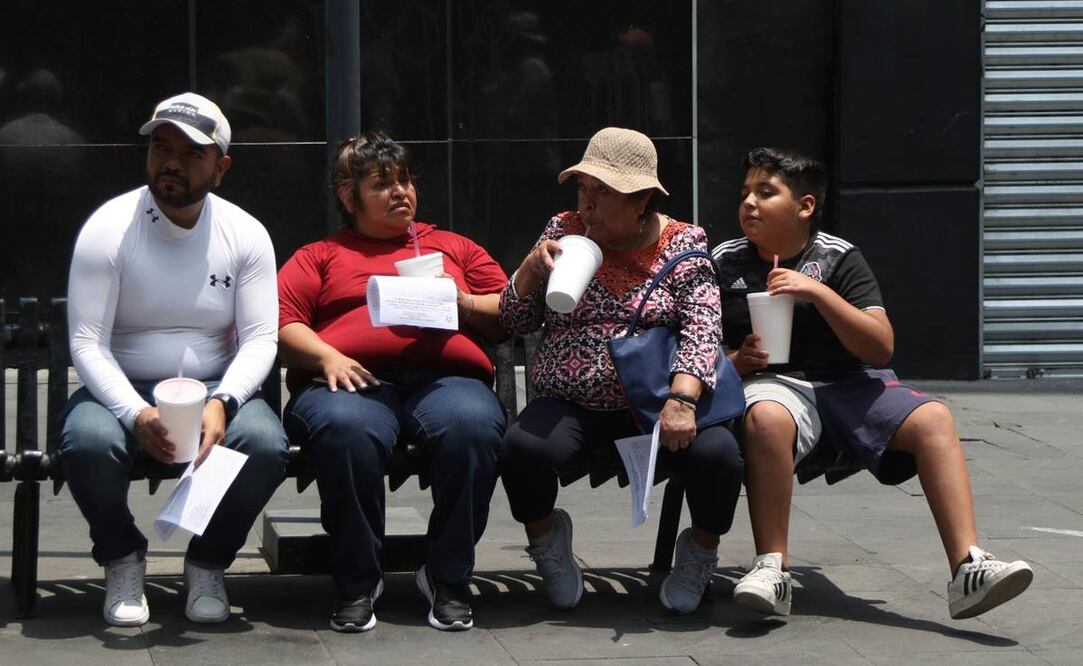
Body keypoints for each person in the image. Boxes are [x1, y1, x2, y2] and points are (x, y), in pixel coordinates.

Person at [713, 147, 1034, 619]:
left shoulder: (839, 258)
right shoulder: (725, 261)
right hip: (773, 382)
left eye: (765, 192)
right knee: (765, 416)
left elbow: (880, 347)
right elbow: (695, 343)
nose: (749, 204)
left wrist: (818, 293)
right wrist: (737, 360)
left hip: (849, 381)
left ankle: (969, 567)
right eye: (745, 194)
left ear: (805, 206)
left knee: (934, 418)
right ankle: (772, 567)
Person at [60, 92, 289, 627]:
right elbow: (88, 341)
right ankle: (121, 557)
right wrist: (133, 413)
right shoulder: (108, 228)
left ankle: (208, 561)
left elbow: (260, 338)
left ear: (221, 166)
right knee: (87, 441)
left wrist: (225, 402)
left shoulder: (246, 234)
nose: (171, 163)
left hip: (214, 383)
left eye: (192, 154)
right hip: (122, 385)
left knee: (265, 443)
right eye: (162, 148)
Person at [499, 127, 744, 614]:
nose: (586, 204)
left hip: (656, 401)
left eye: (602, 192)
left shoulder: (685, 245)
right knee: (521, 448)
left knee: (719, 456)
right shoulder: (561, 230)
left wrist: (682, 400)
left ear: (643, 201)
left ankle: (700, 551)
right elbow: (513, 320)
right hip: (572, 402)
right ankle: (547, 540)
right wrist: (529, 271)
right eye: (583, 188)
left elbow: (702, 328)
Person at [277, 132, 508, 633]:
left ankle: (446, 577)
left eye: (404, 180)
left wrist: (462, 300)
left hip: (448, 379)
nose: (400, 191)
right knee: (347, 430)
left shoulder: (453, 246)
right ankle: (358, 581)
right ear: (349, 196)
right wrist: (327, 356)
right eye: (382, 184)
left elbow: (507, 311)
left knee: (471, 427)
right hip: (353, 378)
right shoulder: (320, 255)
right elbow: (280, 324)